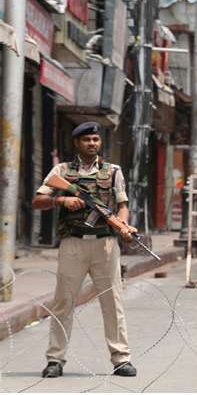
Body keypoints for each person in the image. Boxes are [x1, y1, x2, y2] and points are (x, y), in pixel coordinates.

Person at [31, 122, 138, 378]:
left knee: (112, 303)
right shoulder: (62, 171)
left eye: (96, 139)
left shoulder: (113, 171)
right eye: (87, 139)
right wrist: (62, 199)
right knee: (63, 303)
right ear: (77, 143)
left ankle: (121, 359)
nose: (92, 143)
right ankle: (55, 360)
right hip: (73, 244)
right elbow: (37, 201)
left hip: (106, 244)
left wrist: (123, 225)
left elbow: (122, 204)